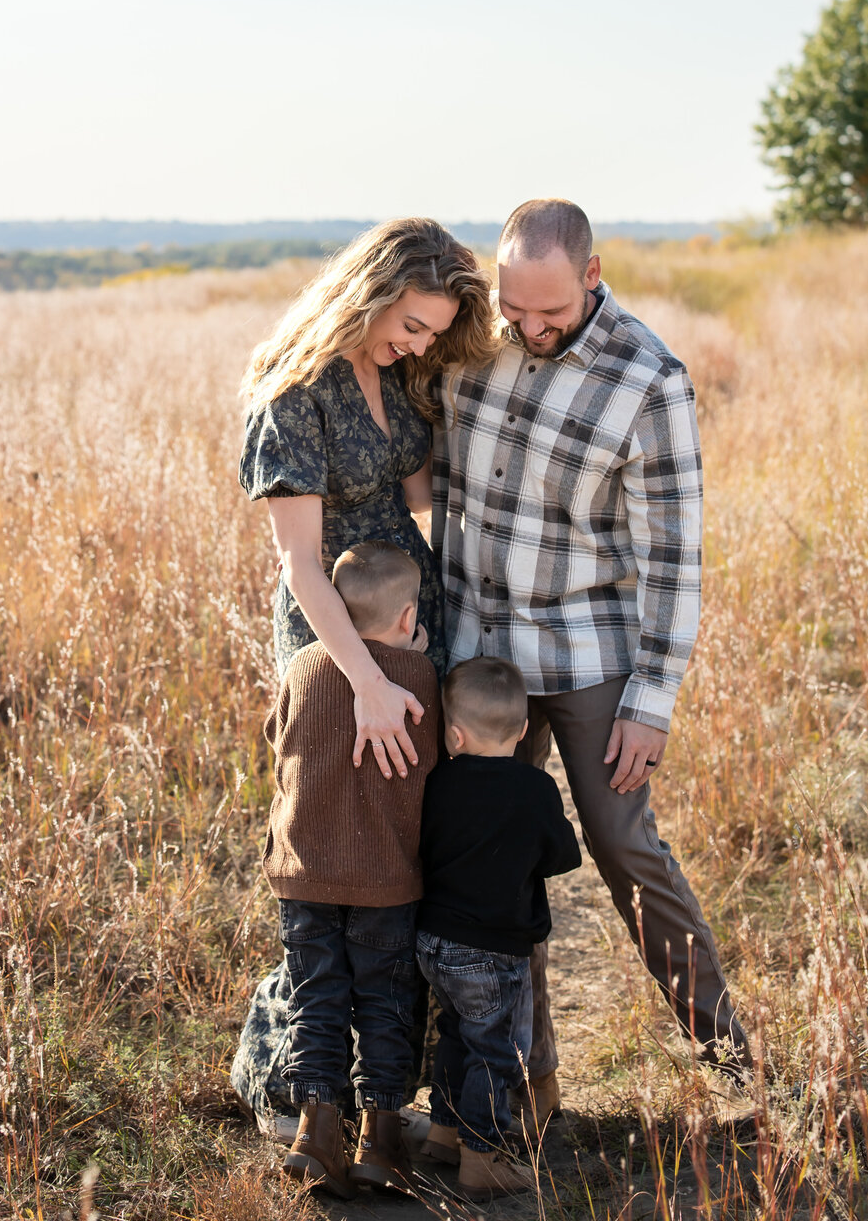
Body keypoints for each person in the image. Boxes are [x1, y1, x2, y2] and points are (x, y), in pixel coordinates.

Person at [434, 198, 749, 1126]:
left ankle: (731, 1061)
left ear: (593, 276)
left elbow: (674, 559)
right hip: (476, 656)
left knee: (622, 846)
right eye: (512, 309)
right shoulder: (473, 342)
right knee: (487, 867)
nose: (528, 330)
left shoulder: (649, 381)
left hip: (588, 654)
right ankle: (521, 1091)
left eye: (551, 314)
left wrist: (652, 698)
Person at [231, 217, 496, 1128]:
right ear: (370, 290)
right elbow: (300, 566)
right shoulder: (290, 390)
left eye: (430, 331)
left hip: (410, 637)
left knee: (399, 857)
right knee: (333, 862)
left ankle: (388, 1092)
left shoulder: (394, 375)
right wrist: (369, 686)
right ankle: (301, 1090)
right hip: (336, 650)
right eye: (411, 324)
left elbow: (421, 495)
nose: (417, 341)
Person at [265, 542, 441, 1197]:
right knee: (385, 1002)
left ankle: (316, 1130)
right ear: (406, 616)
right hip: (384, 878)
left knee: (317, 998)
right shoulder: (419, 680)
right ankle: (381, 1140)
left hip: (304, 871)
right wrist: (414, 659)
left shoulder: (305, 666)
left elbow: (276, 739)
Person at [416, 657, 580, 1199]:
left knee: (455, 1033)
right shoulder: (535, 789)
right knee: (497, 1050)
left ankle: (441, 1133)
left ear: (454, 734)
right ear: (525, 728)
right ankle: (480, 1157)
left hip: (432, 943)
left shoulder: (436, 783)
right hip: (494, 951)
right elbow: (560, 857)